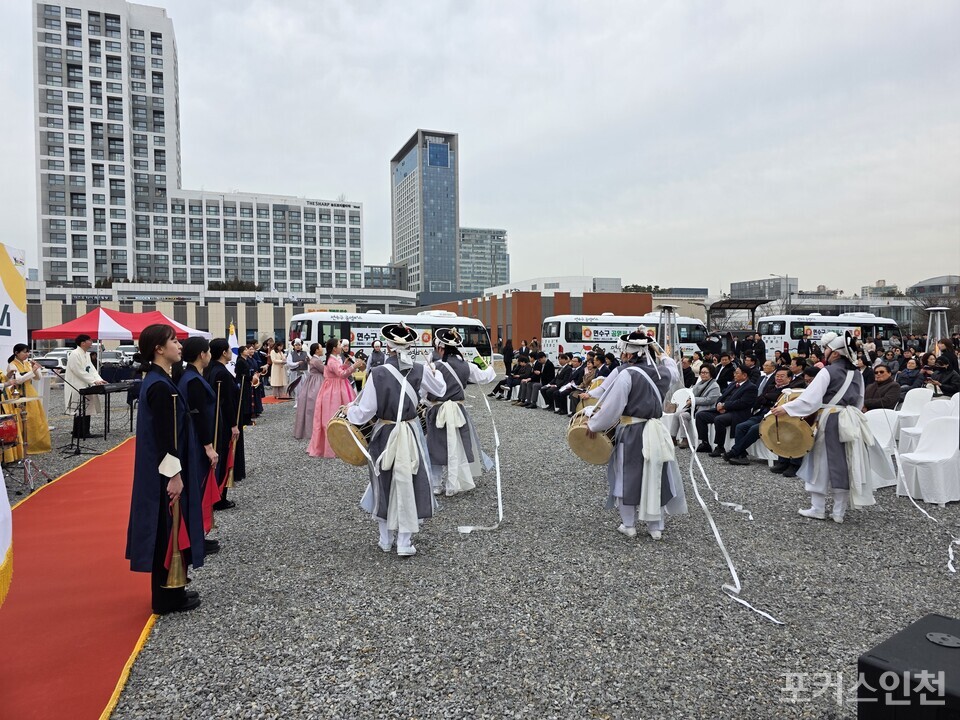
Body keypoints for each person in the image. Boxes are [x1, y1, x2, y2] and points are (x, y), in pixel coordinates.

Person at [770, 331, 892, 523]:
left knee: (819, 461)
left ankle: (818, 508)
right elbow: (859, 400)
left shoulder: (827, 371)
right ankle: (838, 512)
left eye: (827, 349)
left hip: (830, 418)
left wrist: (786, 408)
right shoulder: (857, 374)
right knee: (844, 461)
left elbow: (810, 399)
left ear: (835, 353)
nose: (824, 351)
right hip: (850, 419)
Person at [346, 323, 445, 556]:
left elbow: (365, 412)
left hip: (385, 433)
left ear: (387, 346)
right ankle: (404, 541)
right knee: (411, 482)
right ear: (410, 345)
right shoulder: (420, 370)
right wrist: (434, 370)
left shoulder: (378, 373)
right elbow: (440, 390)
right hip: (410, 432)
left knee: (384, 481)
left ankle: (385, 539)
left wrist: (349, 410)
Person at [125, 324, 205, 615]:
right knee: (165, 528)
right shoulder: (160, 387)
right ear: (159, 349)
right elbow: (166, 438)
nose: (179, 346)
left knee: (169, 526)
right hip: (164, 471)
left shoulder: (160, 380)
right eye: (173, 341)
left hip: (162, 469)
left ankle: (174, 588)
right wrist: (174, 475)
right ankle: (166, 597)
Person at [585, 332, 687, 540]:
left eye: (623, 351)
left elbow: (613, 407)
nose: (621, 354)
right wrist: (657, 349)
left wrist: (594, 423)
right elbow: (673, 369)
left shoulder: (626, 374)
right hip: (657, 430)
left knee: (627, 475)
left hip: (632, 430)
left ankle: (629, 524)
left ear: (630, 354)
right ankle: (655, 527)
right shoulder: (663, 373)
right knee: (655, 474)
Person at [423, 328, 496, 496]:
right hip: (458, 411)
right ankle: (452, 484)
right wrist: (491, 368)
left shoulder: (433, 366)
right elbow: (484, 377)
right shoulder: (467, 366)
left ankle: (436, 484)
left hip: (438, 410)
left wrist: (426, 402)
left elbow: (422, 390)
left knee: (435, 446)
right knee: (457, 447)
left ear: (441, 348)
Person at [177, 337, 221, 554]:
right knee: (196, 488)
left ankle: (198, 535)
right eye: (208, 352)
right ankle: (195, 538)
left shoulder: (191, 377)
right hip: (196, 441)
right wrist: (208, 446)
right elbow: (199, 415)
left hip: (196, 438)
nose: (209, 355)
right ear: (202, 355)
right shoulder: (192, 380)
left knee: (198, 487)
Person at [725, 367, 793, 464]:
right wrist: (768, 399)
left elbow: (773, 400)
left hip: (776, 418)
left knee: (755, 429)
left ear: (789, 379)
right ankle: (741, 455)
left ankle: (734, 452)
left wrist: (767, 398)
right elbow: (759, 400)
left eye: (782, 376)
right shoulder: (770, 387)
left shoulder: (789, 391)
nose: (778, 378)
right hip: (761, 414)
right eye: (777, 376)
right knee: (741, 426)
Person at [307, 338, 361, 458]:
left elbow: (338, 370)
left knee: (334, 414)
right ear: (334, 348)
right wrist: (353, 366)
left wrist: (345, 364)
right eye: (339, 344)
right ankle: (335, 446)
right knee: (335, 414)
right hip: (335, 390)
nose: (341, 346)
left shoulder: (332, 359)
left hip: (334, 388)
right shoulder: (332, 360)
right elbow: (341, 375)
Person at [205, 339, 243, 510]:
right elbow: (227, 402)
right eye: (229, 350)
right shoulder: (222, 374)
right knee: (224, 456)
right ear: (223, 352)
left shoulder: (210, 369)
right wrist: (233, 425)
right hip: (223, 421)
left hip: (214, 419)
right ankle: (219, 496)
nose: (231, 352)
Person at [694, 366, 757, 456]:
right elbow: (721, 397)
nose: (734, 374)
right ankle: (705, 443)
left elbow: (743, 403)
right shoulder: (732, 384)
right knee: (700, 415)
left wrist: (725, 406)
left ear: (744, 375)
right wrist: (719, 404)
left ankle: (720, 447)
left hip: (737, 413)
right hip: (723, 410)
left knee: (719, 419)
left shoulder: (751, 387)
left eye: (737, 373)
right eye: (734, 372)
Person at [4, 344, 52, 456]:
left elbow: (38, 378)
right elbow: (19, 380)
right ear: (16, 353)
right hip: (19, 394)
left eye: (28, 352)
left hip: (30, 392)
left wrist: (35, 369)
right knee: (23, 419)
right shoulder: (12, 365)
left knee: (35, 418)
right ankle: (24, 447)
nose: (27, 354)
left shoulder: (27, 363)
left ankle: (37, 444)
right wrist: (32, 371)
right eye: (25, 352)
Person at [675, 363, 721, 449]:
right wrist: (690, 400)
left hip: (705, 409)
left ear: (711, 373)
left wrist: (693, 400)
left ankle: (685, 439)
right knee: (677, 414)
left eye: (706, 372)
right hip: (694, 407)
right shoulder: (699, 384)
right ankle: (673, 437)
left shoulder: (715, 386)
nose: (703, 374)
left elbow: (710, 400)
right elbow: (691, 395)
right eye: (702, 372)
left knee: (683, 415)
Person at [64, 334, 106, 414]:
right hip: (77, 386)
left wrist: (99, 380)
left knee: (87, 412)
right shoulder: (75, 354)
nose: (91, 342)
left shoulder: (86, 354)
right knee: (79, 413)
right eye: (89, 340)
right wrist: (93, 381)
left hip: (87, 386)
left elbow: (92, 370)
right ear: (83, 343)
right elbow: (78, 371)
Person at [293, 343, 325, 440]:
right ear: (316, 350)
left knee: (309, 405)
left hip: (312, 381)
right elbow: (325, 370)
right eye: (320, 348)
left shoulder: (314, 360)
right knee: (314, 405)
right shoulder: (316, 361)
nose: (322, 349)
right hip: (317, 382)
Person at [285, 339, 309, 406]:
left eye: (299, 345)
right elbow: (289, 364)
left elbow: (310, 360)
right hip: (295, 373)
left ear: (301, 346)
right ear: (294, 346)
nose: (298, 346)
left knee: (304, 387)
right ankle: (297, 402)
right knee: (297, 388)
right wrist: (297, 363)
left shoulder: (305, 353)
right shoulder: (291, 354)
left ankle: (304, 402)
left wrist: (308, 360)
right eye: (296, 345)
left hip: (304, 372)